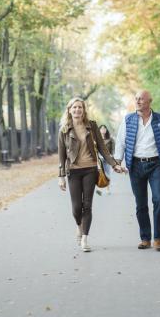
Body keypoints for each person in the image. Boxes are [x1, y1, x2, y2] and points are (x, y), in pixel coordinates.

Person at [114, 90, 160, 251]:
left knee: (159, 200)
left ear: (150, 101)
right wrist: (117, 161)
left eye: (141, 99)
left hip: (156, 164)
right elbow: (121, 141)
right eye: (136, 99)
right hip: (135, 165)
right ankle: (145, 238)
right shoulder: (128, 119)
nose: (138, 101)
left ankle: (158, 239)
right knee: (140, 204)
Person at [58, 97, 122, 252]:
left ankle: (85, 238)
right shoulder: (64, 129)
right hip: (73, 171)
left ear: (84, 110)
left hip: (90, 170)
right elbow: (61, 155)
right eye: (74, 107)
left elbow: (102, 149)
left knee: (87, 205)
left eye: (80, 107)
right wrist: (61, 176)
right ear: (69, 110)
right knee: (76, 207)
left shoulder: (92, 126)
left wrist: (114, 164)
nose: (77, 110)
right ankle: (79, 226)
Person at [96, 125, 115, 195]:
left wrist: (112, 156)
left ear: (106, 130)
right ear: (99, 130)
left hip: (107, 159)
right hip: (99, 159)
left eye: (104, 128)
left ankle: (108, 190)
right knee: (100, 174)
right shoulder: (96, 139)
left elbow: (113, 149)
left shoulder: (110, 139)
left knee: (107, 174)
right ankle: (99, 189)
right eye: (101, 129)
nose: (103, 130)